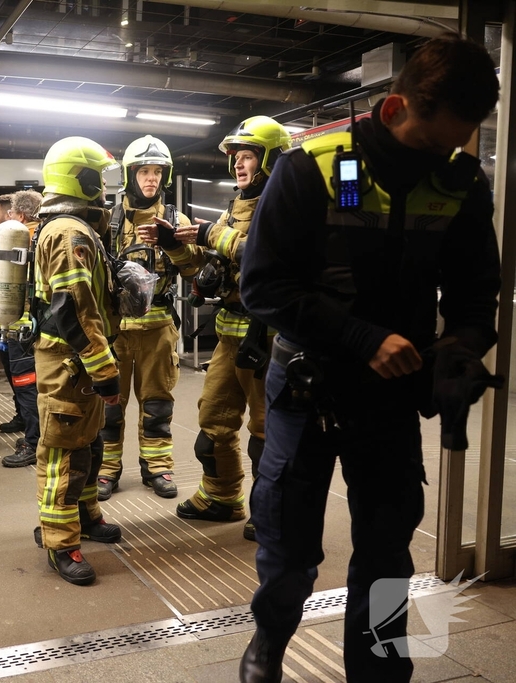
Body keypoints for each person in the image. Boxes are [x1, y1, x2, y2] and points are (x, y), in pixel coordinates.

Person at [237, 34, 501, 682]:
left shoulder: (461, 182)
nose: (444, 157)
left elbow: (475, 293)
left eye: (458, 143)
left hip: (391, 398)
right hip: (307, 389)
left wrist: (461, 350)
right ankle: (269, 641)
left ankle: (381, 671)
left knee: (387, 557)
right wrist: (361, 338)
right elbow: (263, 286)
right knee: (290, 548)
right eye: (433, 141)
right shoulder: (311, 170)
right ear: (393, 110)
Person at [172, 116, 290, 541]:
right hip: (229, 333)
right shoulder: (234, 206)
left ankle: (271, 511)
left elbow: (266, 256)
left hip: (267, 336)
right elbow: (213, 268)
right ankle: (222, 497)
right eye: (236, 158)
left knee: (266, 431)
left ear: (270, 158)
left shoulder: (285, 202)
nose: (239, 165)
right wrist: (177, 247)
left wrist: (208, 233)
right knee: (214, 420)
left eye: (248, 157)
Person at [30, 136, 123, 586]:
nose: (104, 188)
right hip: (71, 361)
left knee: (88, 442)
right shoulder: (69, 233)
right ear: (79, 178)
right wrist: (104, 369)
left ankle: (86, 516)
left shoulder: (73, 226)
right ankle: (60, 542)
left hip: (76, 361)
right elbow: (73, 308)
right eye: (99, 178)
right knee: (64, 453)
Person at [97, 135, 206, 501]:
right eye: (144, 171)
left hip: (158, 326)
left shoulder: (177, 220)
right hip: (116, 329)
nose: (151, 179)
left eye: (157, 171)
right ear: (130, 174)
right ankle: (107, 470)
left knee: (157, 402)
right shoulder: (106, 220)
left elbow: (193, 269)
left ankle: (157, 467)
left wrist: (172, 243)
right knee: (110, 406)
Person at [0, 189, 44, 468]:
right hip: (44, 324)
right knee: (44, 386)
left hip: (21, 326)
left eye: (13, 214)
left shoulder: (19, 237)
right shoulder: (47, 235)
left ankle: (33, 441)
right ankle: (38, 435)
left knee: (27, 386)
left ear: (23, 215)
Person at [0, 193, 26, 434]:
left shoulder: (23, 238)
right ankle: (21, 416)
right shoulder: (3, 240)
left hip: (21, 325)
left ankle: (30, 429)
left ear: (12, 214)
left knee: (24, 380)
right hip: (4, 322)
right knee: (14, 377)